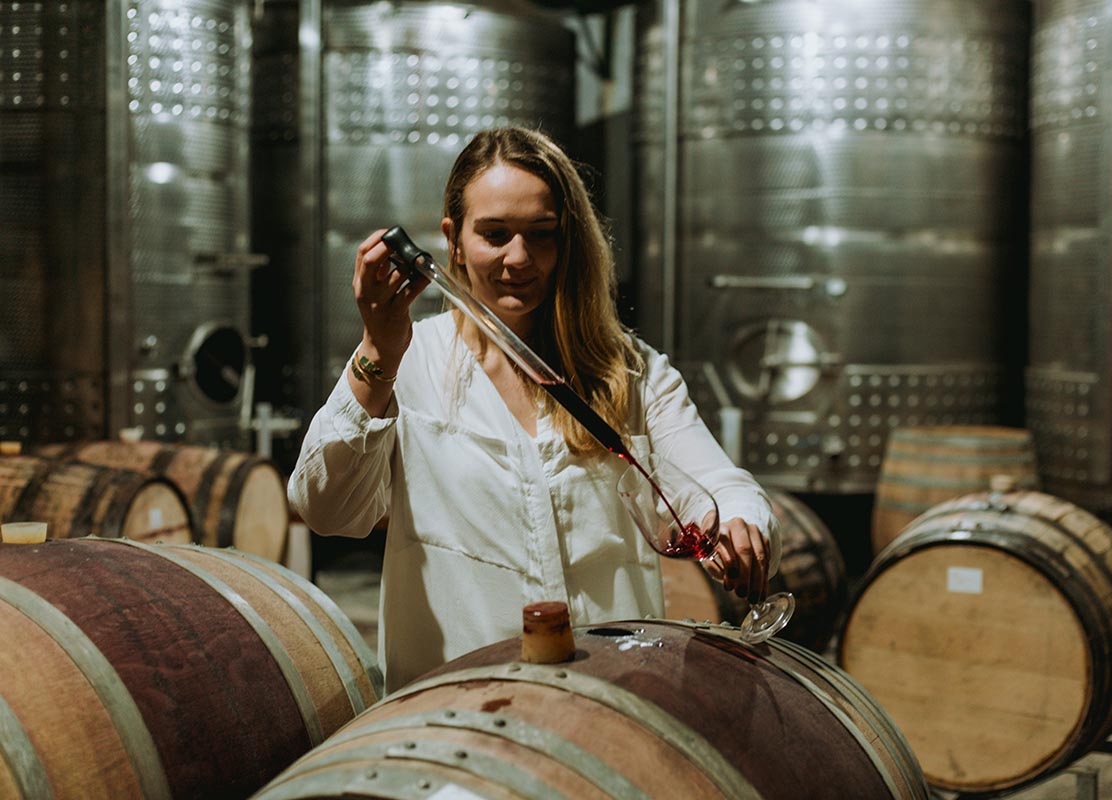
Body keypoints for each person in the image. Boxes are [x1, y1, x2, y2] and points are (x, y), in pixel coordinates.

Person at [288, 126, 780, 691]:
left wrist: (742, 524)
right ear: (453, 239)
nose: (518, 258)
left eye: (540, 235)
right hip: (456, 708)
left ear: (566, 240)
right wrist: (377, 350)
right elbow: (325, 508)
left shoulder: (628, 371)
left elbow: (720, 483)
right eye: (494, 234)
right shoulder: (409, 361)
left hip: (609, 698)